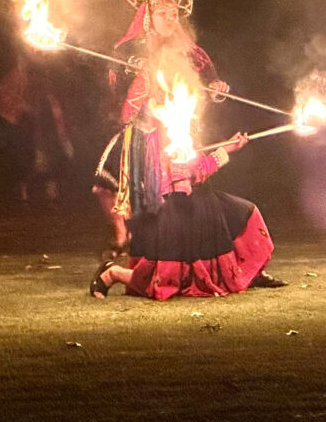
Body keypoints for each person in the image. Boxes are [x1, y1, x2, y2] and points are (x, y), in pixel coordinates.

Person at [92, 0, 229, 258]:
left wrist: (217, 89)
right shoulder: (126, 50)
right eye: (162, 13)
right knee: (104, 185)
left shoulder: (192, 52)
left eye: (174, 14)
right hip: (137, 130)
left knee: (172, 194)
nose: (170, 19)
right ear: (147, 16)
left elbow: (212, 86)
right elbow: (113, 91)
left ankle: (170, 249)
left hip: (176, 133)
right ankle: (122, 236)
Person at [89, 125, 286, 297]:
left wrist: (227, 148)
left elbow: (200, 168)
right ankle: (111, 273)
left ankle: (253, 274)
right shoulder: (155, 142)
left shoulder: (182, 131)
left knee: (247, 213)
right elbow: (173, 182)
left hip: (199, 204)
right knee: (168, 280)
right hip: (173, 211)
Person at [0, 53, 74, 204]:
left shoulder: (43, 80)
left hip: (46, 124)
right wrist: (24, 108)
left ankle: (51, 189)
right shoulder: (14, 78)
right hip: (26, 124)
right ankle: (24, 190)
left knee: (52, 154)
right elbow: (8, 98)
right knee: (26, 155)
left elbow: (54, 102)